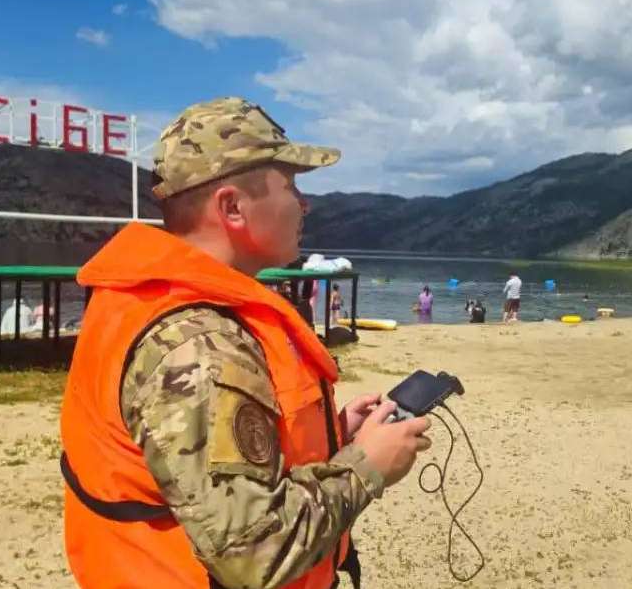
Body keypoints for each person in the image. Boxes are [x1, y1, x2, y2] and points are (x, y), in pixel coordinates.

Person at [59, 97, 431, 589]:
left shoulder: (154, 304)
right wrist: (367, 466)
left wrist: (333, 437)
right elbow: (254, 551)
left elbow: (197, 469)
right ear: (232, 207)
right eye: (290, 185)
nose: (304, 204)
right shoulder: (199, 347)